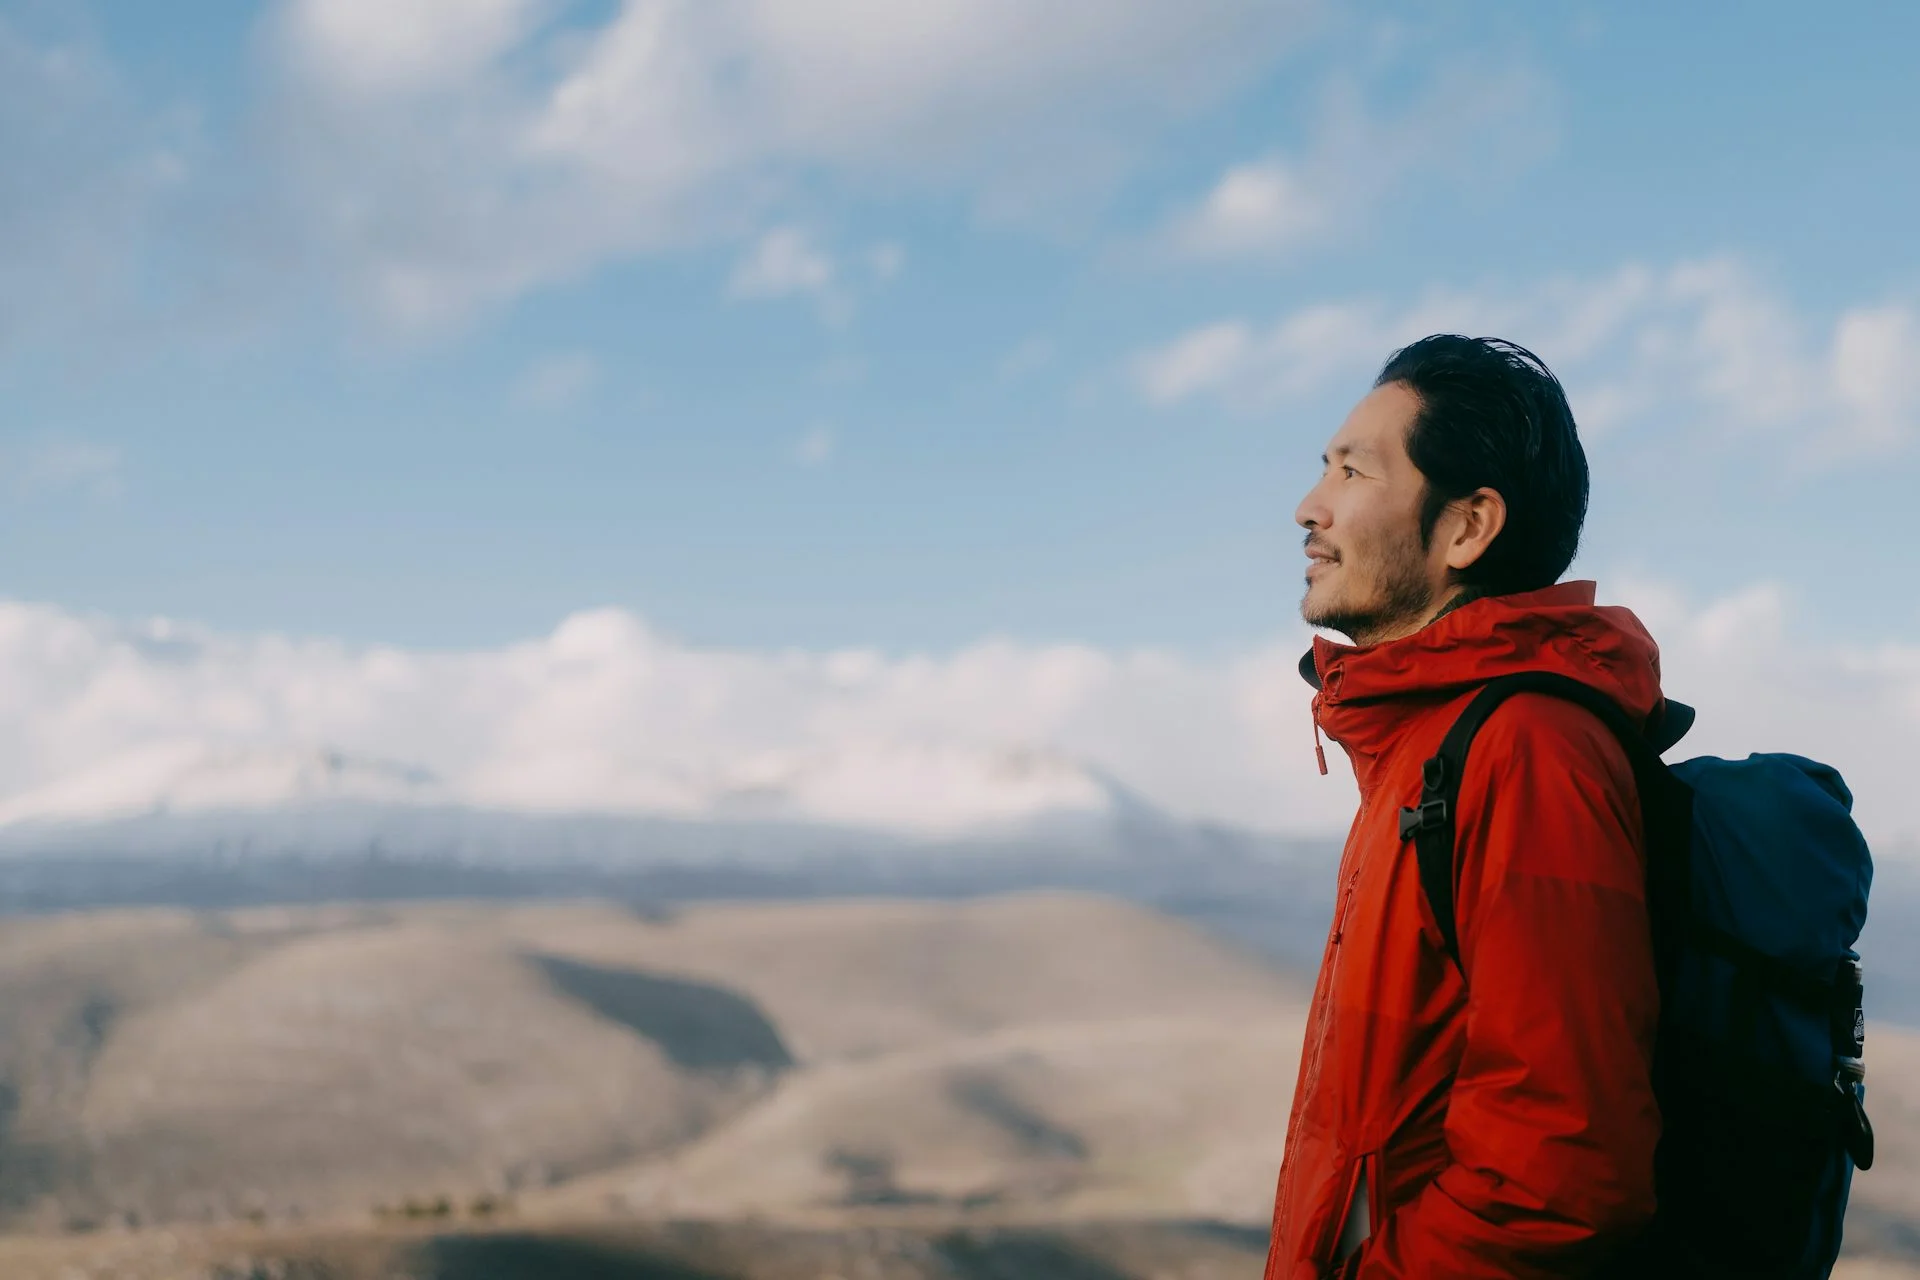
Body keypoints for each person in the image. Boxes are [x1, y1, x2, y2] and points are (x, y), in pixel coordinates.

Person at [1266, 335, 1665, 1279]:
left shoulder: (1528, 751)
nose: (1309, 507)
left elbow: (1557, 1173)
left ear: (1468, 528)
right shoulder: (1424, 747)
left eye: (1353, 471)